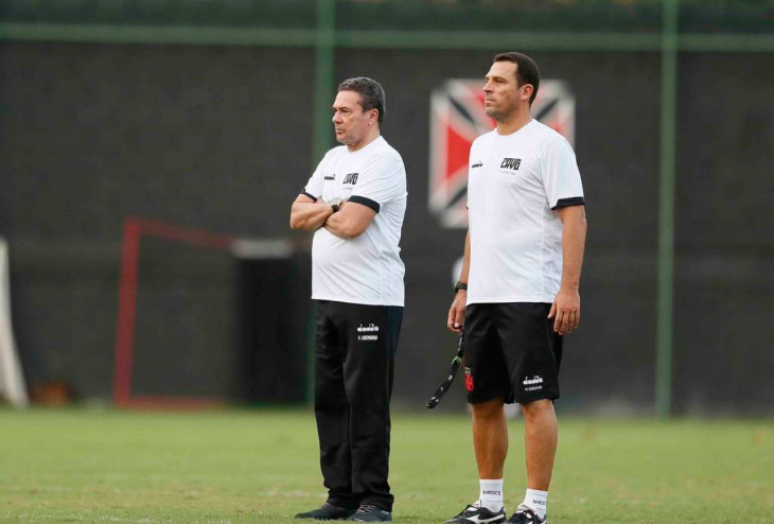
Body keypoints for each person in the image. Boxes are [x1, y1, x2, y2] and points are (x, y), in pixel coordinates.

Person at [445, 52, 587, 524]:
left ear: (526, 91)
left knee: (534, 399)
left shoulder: (549, 146)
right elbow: (476, 226)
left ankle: (535, 507)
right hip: (483, 296)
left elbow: (574, 218)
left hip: (531, 295)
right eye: (486, 80)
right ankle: (488, 504)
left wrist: (568, 288)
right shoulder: (479, 148)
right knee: (482, 401)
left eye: (498, 81)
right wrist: (465, 286)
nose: (486, 88)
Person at [290, 77, 407, 523]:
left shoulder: (386, 161)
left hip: (370, 300)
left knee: (367, 401)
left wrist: (329, 209)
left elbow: (354, 224)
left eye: (345, 111)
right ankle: (340, 496)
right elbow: (296, 215)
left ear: (371, 115)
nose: (336, 118)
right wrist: (333, 207)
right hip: (329, 298)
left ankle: (375, 499)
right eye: (335, 110)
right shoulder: (333, 159)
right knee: (331, 400)